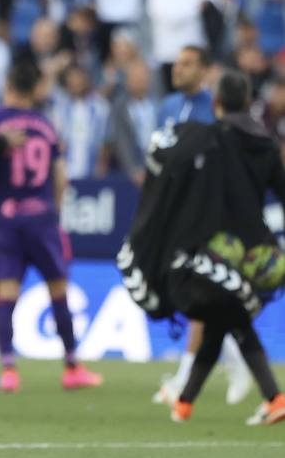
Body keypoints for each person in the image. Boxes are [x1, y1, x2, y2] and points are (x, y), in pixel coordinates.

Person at [121, 70, 285, 426]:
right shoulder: (268, 144)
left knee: (222, 314)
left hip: (218, 245)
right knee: (224, 317)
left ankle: (273, 397)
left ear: (217, 104)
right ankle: (186, 404)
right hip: (258, 250)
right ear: (248, 101)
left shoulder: (214, 139)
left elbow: (189, 182)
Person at [0, 61, 103, 394]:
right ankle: (72, 366)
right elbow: (61, 177)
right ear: (34, 88)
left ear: (8, 83)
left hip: (5, 217)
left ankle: (8, 370)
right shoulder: (46, 126)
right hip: (42, 218)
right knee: (58, 290)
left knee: (6, 294)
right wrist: (54, 212)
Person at [151, 45, 253, 405]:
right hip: (174, 210)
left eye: (188, 64)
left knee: (198, 293)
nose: (178, 70)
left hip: (205, 213)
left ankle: (184, 379)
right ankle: (238, 362)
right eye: (177, 63)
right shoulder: (166, 106)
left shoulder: (214, 109)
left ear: (206, 71)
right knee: (192, 294)